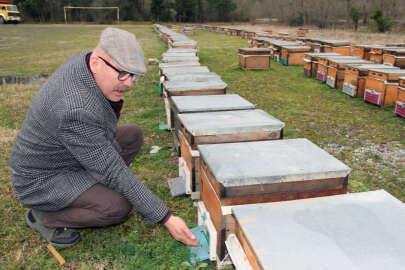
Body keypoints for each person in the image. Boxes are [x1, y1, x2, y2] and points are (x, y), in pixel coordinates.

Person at [9, 27, 199, 248]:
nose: (129, 83)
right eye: (122, 73)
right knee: (117, 207)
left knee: (133, 135)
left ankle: (92, 189)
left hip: (68, 154)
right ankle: (45, 217)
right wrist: (166, 217)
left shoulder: (85, 63)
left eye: (133, 75)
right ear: (97, 63)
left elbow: (101, 139)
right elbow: (113, 169)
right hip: (42, 179)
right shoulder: (75, 109)